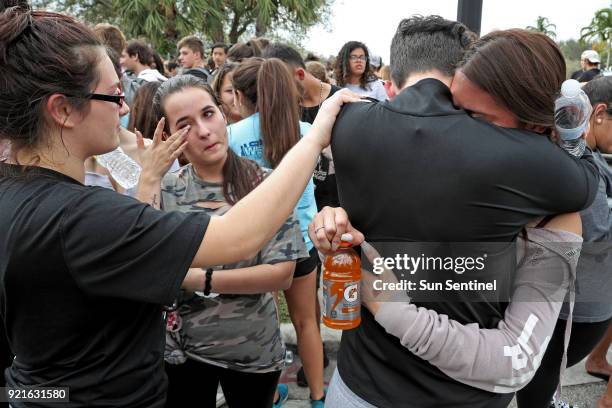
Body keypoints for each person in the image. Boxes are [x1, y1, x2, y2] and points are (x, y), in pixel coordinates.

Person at [0, 4, 360, 406]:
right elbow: (238, 236)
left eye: (210, 114)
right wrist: (312, 140)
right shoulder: (83, 218)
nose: (123, 107)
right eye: (114, 94)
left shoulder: (16, 197)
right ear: (63, 109)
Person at [316, 16, 599, 408]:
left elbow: (515, 359)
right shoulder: (550, 176)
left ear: (533, 123)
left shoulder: (559, 209)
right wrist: (330, 225)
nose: (451, 130)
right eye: (454, 111)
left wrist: (388, 306)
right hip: (363, 387)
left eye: (476, 121)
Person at [137, 75, 308, 408]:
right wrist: (149, 178)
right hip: (183, 354)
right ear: (170, 136)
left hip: (253, 351)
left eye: (208, 114)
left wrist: (198, 279)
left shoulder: (265, 184)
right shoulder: (167, 189)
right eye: (185, 124)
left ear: (224, 113)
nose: (202, 130)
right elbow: (146, 266)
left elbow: (281, 273)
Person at [227, 58, 326, 407]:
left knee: (266, 326)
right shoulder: (305, 133)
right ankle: (318, 398)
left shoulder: (232, 136)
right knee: (306, 322)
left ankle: (269, 396)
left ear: (240, 95)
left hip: (257, 243)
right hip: (301, 237)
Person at [516, 75, 612, 408]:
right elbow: (599, 229)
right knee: (542, 375)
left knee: (543, 373)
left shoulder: (581, 158)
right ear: (597, 113)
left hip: (567, 298)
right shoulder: (579, 163)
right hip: (576, 302)